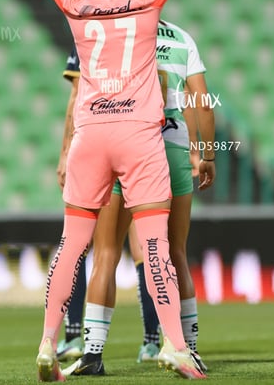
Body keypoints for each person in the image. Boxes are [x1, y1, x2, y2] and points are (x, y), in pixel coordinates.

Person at [0, 0, 252, 382]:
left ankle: (46, 344)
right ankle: (176, 347)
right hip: (139, 136)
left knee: (73, 244)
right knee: (155, 244)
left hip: (90, 134)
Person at [57, 20, 214, 377]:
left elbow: (82, 95)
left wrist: (71, 149)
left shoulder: (111, 35)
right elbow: (200, 103)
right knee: (174, 253)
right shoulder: (181, 38)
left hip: (117, 144)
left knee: (106, 254)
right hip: (169, 147)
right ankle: (182, 348)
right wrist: (206, 154)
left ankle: (92, 352)